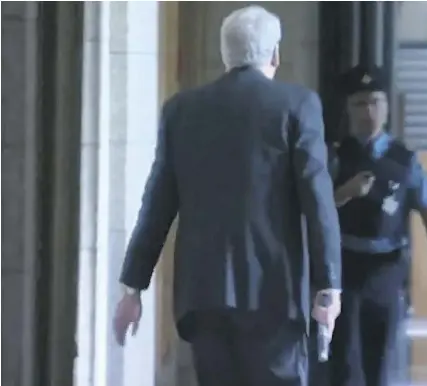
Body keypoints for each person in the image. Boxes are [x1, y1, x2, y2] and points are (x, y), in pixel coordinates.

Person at [112, 6, 342, 386]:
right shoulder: (297, 106)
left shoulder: (181, 111)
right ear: (275, 55)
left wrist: (132, 288)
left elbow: (157, 205)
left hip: (204, 295)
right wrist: (328, 286)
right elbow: (317, 198)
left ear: (225, 55)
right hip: (275, 295)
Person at [328, 65, 427, 386]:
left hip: (386, 266)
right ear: (348, 108)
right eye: (359, 103)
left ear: (386, 107)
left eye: (375, 102)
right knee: (344, 358)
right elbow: (314, 212)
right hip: (344, 264)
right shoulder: (334, 156)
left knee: (380, 357)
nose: (368, 111)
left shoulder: (404, 159)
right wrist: (344, 193)